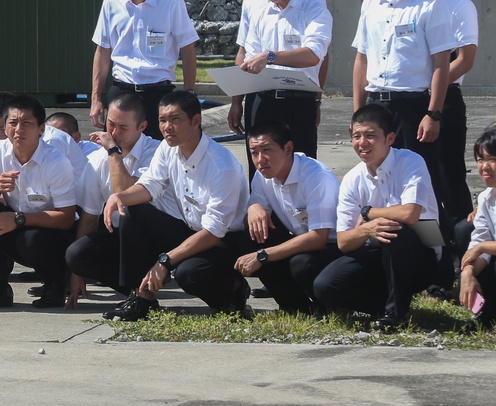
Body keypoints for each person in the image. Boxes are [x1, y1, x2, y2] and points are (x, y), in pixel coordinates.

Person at [102, 90, 250, 321]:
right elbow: (150, 186)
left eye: (175, 120)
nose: (167, 127)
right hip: (189, 229)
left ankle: (234, 289)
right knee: (134, 210)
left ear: (196, 121)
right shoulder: (168, 148)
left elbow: (214, 232)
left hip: (222, 241)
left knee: (188, 274)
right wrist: (120, 197)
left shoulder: (222, 166)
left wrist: (165, 261)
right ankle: (142, 299)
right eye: (162, 120)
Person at [352, 0, 455, 213]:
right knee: (378, 178)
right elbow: (361, 59)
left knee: (422, 182)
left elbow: (441, 63)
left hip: (413, 108)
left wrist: (433, 113)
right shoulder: (370, 3)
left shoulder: (431, 3)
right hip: (376, 104)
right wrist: (358, 113)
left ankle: (437, 251)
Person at [312, 104, 440, 331]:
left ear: (390, 138)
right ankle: (383, 306)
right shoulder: (353, 178)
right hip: (376, 251)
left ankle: (395, 314)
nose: (362, 143)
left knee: (393, 229)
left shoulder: (411, 162)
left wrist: (368, 213)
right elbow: (344, 242)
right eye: (356, 136)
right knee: (325, 286)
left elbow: (410, 214)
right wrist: (365, 230)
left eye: (370, 136)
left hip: (420, 256)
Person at [230, 0, 333, 179]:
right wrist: (237, 99)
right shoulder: (260, 12)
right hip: (263, 101)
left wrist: (270, 57)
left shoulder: (314, 9)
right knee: (260, 172)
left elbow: (313, 54)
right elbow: (248, 55)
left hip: (298, 103)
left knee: (302, 171)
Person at [0, 94, 77, 310]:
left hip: (50, 236)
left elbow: (66, 218)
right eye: (13, 123)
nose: (19, 129)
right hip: (16, 228)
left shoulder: (56, 162)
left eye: (26, 123)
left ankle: (55, 285)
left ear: (41, 129)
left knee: (32, 238)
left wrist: (19, 219)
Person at [90, 0, 198, 140]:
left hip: (158, 92)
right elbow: (103, 52)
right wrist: (96, 98)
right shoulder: (111, 4)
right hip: (122, 90)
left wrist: (189, 93)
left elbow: (188, 49)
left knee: (160, 155)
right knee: (117, 152)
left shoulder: (172, 3)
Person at [231, 120, 341, 313]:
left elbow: (319, 237)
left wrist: (264, 255)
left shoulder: (316, 177)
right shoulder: (263, 175)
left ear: (288, 148)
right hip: (303, 239)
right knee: (252, 237)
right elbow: (256, 204)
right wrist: (254, 207)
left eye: (267, 150)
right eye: (254, 152)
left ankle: (329, 306)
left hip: (335, 246)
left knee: (301, 264)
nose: (260, 159)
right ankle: (295, 306)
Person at [65, 91, 160, 310]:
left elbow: (126, 192)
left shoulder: (156, 153)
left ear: (142, 126)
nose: (113, 133)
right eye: (110, 124)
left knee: (131, 213)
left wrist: (113, 151)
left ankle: (146, 290)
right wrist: (77, 274)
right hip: (120, 237)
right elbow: (89, 217)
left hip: (155, 237)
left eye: (123, 127)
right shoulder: (98, 159)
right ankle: (139, 292)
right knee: (76, 253)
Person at [410, 0, 479, 223]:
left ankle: (461, 243)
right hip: (409, 100)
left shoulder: (457, 4)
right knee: (413, 175)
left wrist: (432, 89)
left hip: (444, 101)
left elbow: (464, 59)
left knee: (447, 174)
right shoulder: (403, 2)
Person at [459, 127, 496, 331]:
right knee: (477, 262)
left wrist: (482, 247)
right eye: (480, 159)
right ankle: (487, 315)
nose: (484, 167)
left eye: (492, 159)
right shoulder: (485, 198)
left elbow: (481, 245)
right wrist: (468, 272)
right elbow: (478, 238)